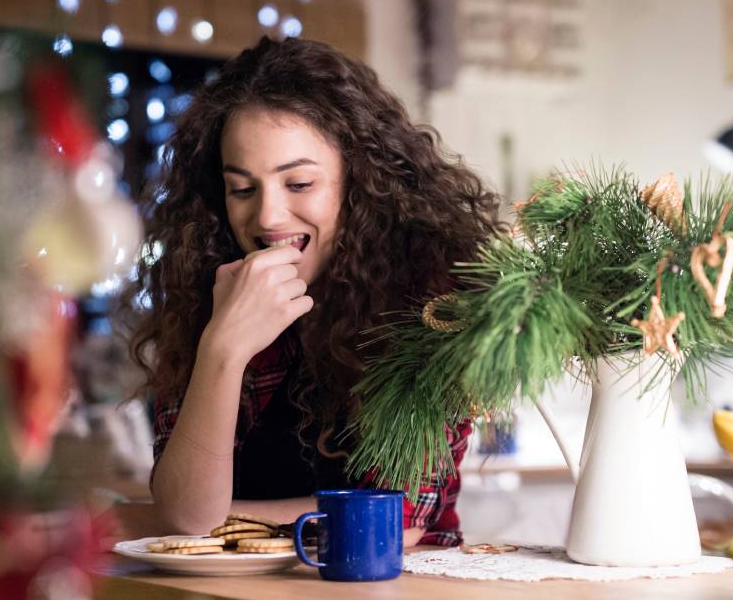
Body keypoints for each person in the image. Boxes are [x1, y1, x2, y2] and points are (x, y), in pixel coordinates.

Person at [119, 37, 501, 546]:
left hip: (393, 595)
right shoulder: (204, 293)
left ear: (360, 181)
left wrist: (193, 522)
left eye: (298, 184)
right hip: (232, 597)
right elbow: (187, 514)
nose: (267, 216)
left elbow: (396, 518)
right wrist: (223, 347)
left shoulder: (433, 299)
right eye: (242, 189)